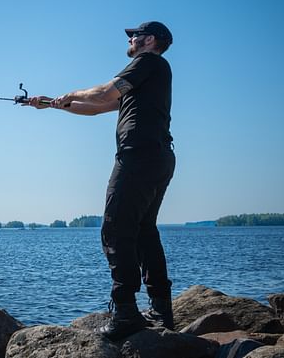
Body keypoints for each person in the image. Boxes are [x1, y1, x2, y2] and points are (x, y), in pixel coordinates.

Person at [20, 21, 176, 340]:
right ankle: (161, 311)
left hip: (138, 157)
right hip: (157, 156)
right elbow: (101, 106)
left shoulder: (147, 62)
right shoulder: (150, 75)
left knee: (116, 228)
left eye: (134, 35)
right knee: (144, 230)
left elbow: (103, 92)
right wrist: (51, 103)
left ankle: (125, 313)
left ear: (149, 40)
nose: (130, 39)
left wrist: (69, 94)